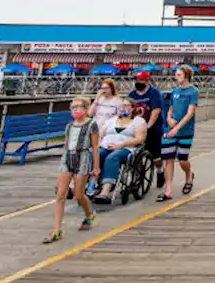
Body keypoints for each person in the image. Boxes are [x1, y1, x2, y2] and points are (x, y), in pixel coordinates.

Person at [44, 97, 99, 243]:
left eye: (78, 107)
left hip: (83, 157)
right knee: (61, 194)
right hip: (68, 156)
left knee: (78, 195)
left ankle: (89, 214)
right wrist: (64, 159)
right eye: (72, 107)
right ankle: (57, 230)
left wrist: (96, 166)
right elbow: (67, 144)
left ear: (86, 108)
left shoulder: (92, 124)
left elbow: (95, 146)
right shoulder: (69, 125)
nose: (75, 110)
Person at [93, 98, 147, 203]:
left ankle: (105, 191)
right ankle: (91, 182)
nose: (123, 108)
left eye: (127, 105)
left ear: (133, 108)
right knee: (95, 154)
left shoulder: (138, 121)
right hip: (106, 146)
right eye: (122, 105)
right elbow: (100, 133)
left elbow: (140, 139)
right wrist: (98, 143)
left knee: (112, 158)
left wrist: (121, 144)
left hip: (126, 148)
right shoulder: (111, 120)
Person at [157, 65, 199, 201]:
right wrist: (169, 119)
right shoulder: (175, 91)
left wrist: (177, 128)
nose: (176, 77)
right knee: (168, 159)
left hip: (185, 130)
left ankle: (189, 174)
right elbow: (171, 107)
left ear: (186, 76)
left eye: (179, 75)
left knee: (182, 160)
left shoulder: (193, 92)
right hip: (170, 129)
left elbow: (190, 113)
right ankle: (168, 190)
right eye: (176, 74)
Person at [128, 71, 165, 189]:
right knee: (135, 152)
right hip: (137, 126)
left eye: (141, 81)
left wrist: (148, 125)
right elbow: (128, 109)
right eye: (137, 81)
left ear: (147, 81)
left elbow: (155, 111)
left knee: (155, 155)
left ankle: (160, 171)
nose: (138, 83)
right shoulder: (132, 94)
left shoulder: (154, 93)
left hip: (153, 126)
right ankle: (137, 176)